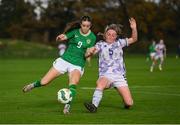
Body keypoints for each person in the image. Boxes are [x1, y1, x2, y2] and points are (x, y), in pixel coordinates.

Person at [22, 15, 96, 114]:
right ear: (81, 24)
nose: (85, 28)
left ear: (90, 26)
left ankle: (67, 106)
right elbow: (65, 36)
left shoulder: (92, 37)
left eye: (87, 26)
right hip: (64, 60)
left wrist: (89, 54)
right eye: (83, 25)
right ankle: (33, 85)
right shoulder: (75, 32)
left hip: (77, 64)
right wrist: (61, 37)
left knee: (73, 84)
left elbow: (87, 53)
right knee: (44, 82)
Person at [84, 17, 138, 113]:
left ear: (116, 36)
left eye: (113, 35)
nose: (110, 36)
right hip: (106, 75)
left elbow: (134, 39)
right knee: (100, 84)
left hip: (119, 76)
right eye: (109, 34)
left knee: (129, 103)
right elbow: (91, 52)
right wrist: (90, 52)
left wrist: (134, 28)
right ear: (105, 35)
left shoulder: (119, 43)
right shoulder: (100, 44)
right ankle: (94, 106)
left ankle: (124, 100)